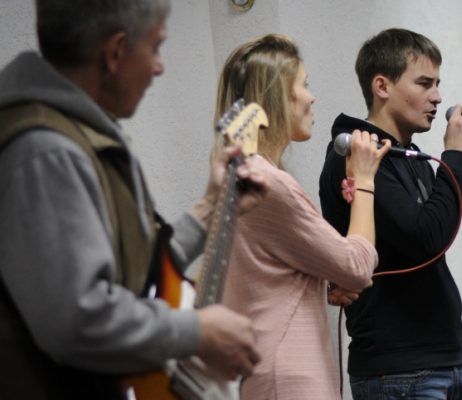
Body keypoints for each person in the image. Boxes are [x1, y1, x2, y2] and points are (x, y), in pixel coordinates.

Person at [0, 1, 266, 398]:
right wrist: (197, 332)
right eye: (155, 47)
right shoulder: (46, 151)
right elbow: (75, 321)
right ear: (115, 52)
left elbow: (135, 274)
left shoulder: (76, 133)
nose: (159, 67)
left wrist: (210, 207)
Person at [318, 28, 462, 399]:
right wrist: (456, 157)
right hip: (398, 369)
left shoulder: (412, 158)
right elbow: (424, 239)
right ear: (382, 86)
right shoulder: (358, 156)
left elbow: (433, 260)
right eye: (425, 83)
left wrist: (458, 355)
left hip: (441, 363)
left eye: (438, 84)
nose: (437, 96)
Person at [215, 34, 390, 399]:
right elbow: (357, 266)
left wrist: (319, 283)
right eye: (304, 85)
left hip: (269, 368)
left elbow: (264, 275)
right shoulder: (269, 182)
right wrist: (364, 180)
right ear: (278, 97)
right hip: (290, 374)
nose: (312, 98)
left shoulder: (239, 174)